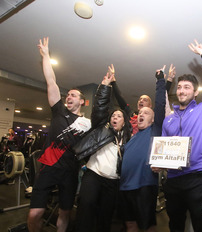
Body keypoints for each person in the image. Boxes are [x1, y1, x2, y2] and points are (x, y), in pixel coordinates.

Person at [160, 40, 202, 232]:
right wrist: (159, 164)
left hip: (197, 178)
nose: (181, 90)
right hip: (173, 179)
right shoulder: (169, 120)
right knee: (175, 225)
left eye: (187, 87)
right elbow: (164, 149)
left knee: (201, 226)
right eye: (179, 87)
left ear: (195, 92)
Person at [27, 37, 91, 232]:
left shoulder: (86, 124)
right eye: (67, 95)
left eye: (73, 95)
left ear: (82, 101)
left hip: (70, 172)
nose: (68, 97)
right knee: (35, 214)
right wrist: (46, 55)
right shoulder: (59, 111)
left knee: (64, 213)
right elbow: (51, 81)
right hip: (48, 167)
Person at [73, 65, 132, 232]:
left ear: (124, 121)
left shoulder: (128, 139)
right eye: (113, 115)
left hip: (113, 182)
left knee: (106, 215)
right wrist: (105, 87)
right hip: (94, 175)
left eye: (119, 116)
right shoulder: (102, 127)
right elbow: (99, 108)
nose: (115, 117)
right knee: (87, 205)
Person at [119, 67, 166, 232]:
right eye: (140, 113)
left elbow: (160, 104)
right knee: (130, 224)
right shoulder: (131, 138)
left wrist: (160, 80)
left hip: (144, 185)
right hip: (125, 187)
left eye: (146, 113)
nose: (141, 114)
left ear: (153, 119)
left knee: (147, 226)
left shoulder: (154, 131)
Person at [111, 64, 175, 135]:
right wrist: (113, 81)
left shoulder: (154, 117)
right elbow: (120, 99)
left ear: (150, 106)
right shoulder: (131, 115)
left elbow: (161, 99)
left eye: (145, 100)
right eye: (140, 99)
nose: (141, 101)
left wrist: (169, 79)